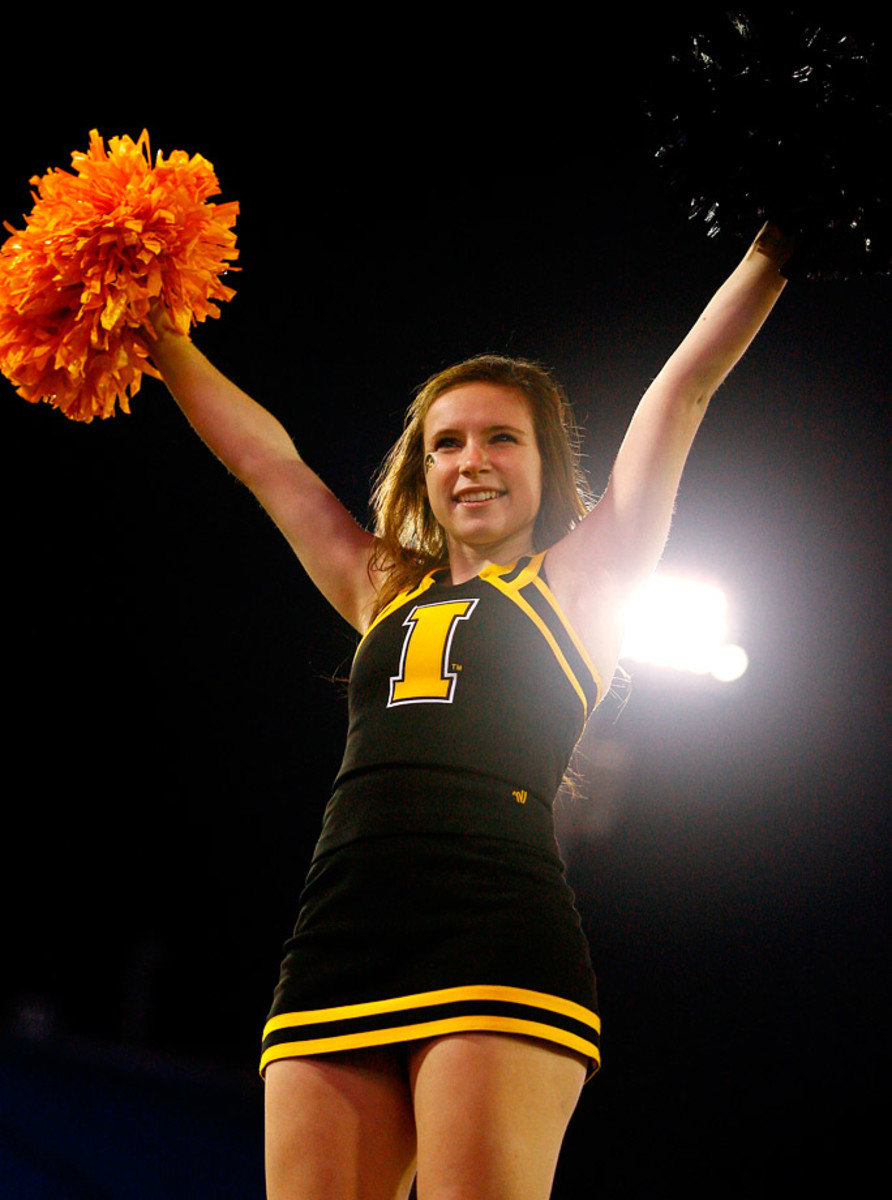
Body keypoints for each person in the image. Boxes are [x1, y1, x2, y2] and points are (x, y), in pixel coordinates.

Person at [148, 221, 792, 1200]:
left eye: (501, 437)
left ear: (545, 465)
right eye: (445, 442)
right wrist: (160, 339)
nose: (471, 460)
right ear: (422, 471)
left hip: (492, 929)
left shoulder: (587, 580)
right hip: (336, 935)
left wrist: (771, 253)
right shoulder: (378, 584)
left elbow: (682, 390)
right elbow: (265, 464)